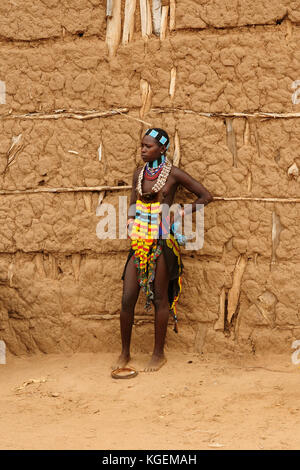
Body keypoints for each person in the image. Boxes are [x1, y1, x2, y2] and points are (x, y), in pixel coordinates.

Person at [114, 128, 213, 372]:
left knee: (160, 298)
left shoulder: (173, 175)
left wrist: (180, 211)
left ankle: (158, 354)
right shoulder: (139, 173)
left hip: (161, 241)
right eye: (142, 146)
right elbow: (133, 202)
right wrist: (129, 221)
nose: (143, 150)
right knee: (127, 298)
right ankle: (125, 352)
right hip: (139, 241)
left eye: (148, 146)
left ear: (162, 149)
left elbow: (205, 196)